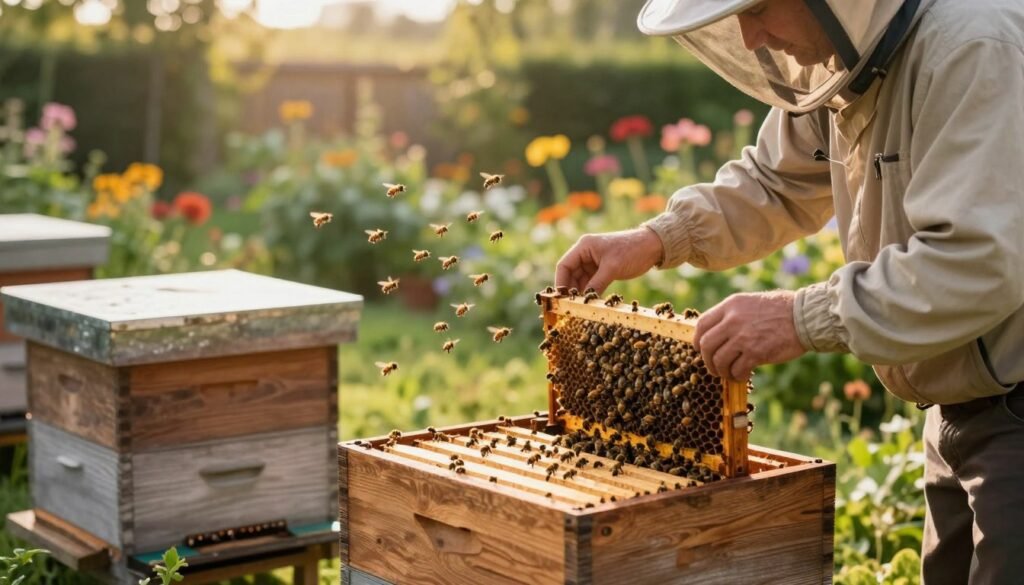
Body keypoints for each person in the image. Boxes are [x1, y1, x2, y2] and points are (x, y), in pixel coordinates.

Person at [554, 1, 1024, 583]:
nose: (750, 38)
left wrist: (800, 316)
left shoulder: (975, 48)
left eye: (761, 7)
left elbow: (978, 262)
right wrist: (656, 238)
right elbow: (775, 182)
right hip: (960, 408)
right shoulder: (848, 63)